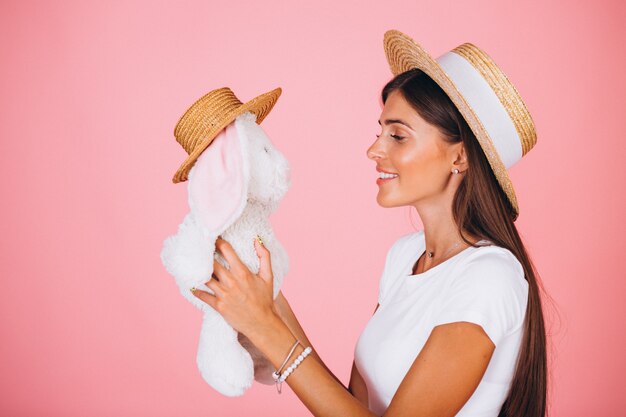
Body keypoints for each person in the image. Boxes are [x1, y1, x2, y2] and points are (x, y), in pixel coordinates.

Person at [190, 30, 549, 417]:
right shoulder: (405, 257)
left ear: (459, 156)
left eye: (397, 135)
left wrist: (265, 328)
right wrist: (268, 296)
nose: (373, 150)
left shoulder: (489, 277)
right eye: (379, 132)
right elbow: (354, 407)